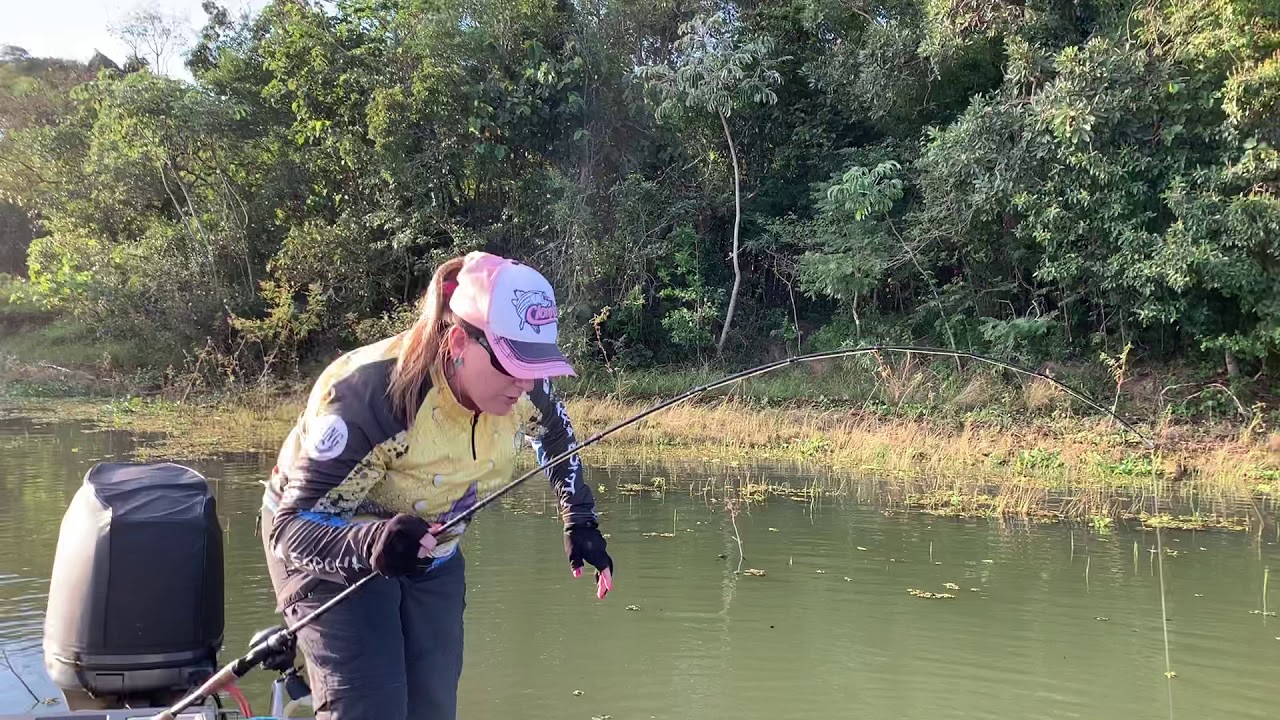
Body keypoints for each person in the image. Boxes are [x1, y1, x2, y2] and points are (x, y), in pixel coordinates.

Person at [258, 251, 613, 720]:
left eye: (537, 365)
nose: (526, 383)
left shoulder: (527, 390)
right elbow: (290, 530)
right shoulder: (369, 395)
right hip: (328, 543)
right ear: (460, 342)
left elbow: (556, 435)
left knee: (432, 708)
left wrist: (579, 517)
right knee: (372, 709)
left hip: (432, 549)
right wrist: (370, 543)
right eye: (511, 364)